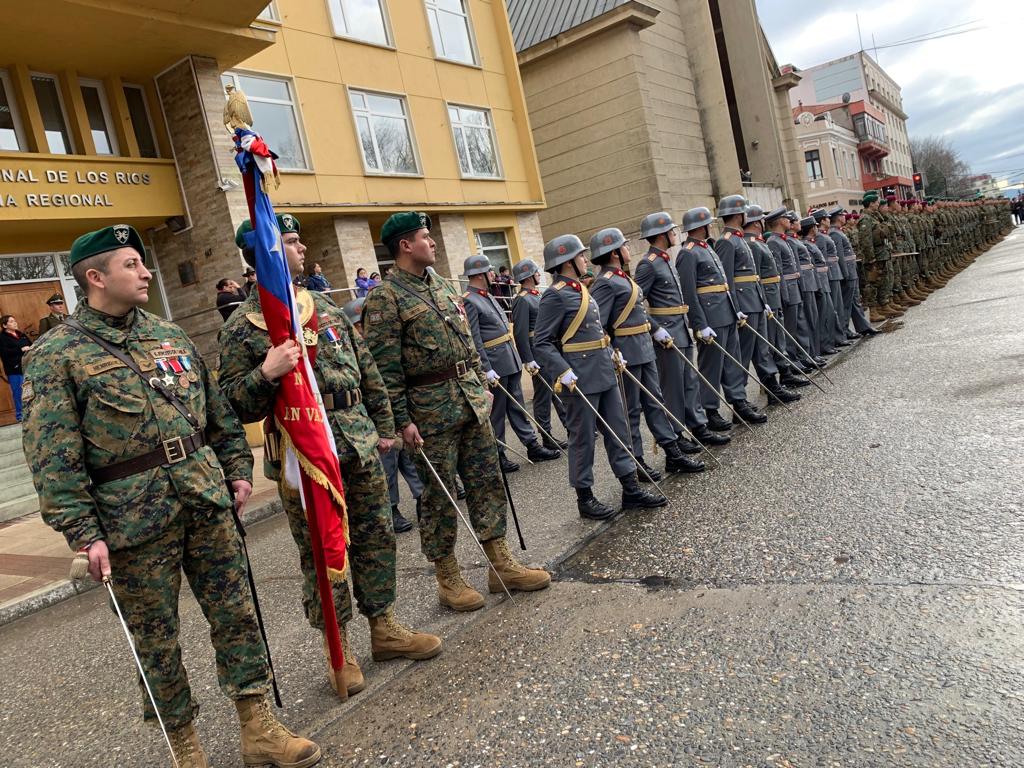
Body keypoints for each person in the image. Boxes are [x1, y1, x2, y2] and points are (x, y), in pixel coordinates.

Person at [22, 224, 319, 768]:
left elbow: (216, 412)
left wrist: (235, 469)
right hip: (132, 519)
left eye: (143, 262)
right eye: (132, 264)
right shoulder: (56, 354)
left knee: (236, 614)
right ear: (95, 277)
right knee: (156, 641)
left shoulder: (168, 334)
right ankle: (185, 749)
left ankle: (258, 727)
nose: (145, 271)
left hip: (205, 499)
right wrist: (83, 532)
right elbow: (51, 455)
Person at [219, 214, 441, 702]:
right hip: (304, 455)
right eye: (291, 242)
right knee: (323, 550)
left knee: (375, 535)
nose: (301, 249)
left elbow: (367, 369)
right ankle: (338, 648)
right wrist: (266, 372)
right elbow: (234, 403)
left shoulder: (324, 307)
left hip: (357, 440)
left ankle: (383, 627)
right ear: (264, 256)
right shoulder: (243, 327)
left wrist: (384, 427)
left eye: (297, 240)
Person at [363, 212, 551, 612]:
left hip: (469, 400)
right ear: (405, 246)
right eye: (425, 237)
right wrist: (401, 421)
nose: (432, 243)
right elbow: (385, 370)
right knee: (439, 495)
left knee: (487, 480)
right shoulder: (386, 297)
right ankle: (448, 576)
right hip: (429, 411)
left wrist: (481, 381)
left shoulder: (444, 286)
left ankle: (500, 562)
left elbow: (466, 341)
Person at [533, 234, 666, 520]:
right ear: (568, 261)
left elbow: (596, 329)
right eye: (580, 256)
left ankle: (630, 489)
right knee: (583, 438)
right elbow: (542, 342)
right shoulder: (555, 295)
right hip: (578, 376)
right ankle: (585, 497)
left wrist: (610, 350)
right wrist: (562, 370)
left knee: (620, 430)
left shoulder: (580, 289)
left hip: (603, 368)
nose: (585, 259)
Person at [588, 227, 703, 478]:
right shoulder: (605, 284)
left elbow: (638, 311)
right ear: (615, 252)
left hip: (644, 347)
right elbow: (600, 325)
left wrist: (657, 329)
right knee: (630, 411)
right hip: (626, 354)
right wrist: (611, 351)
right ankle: (637, 461)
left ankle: (672, 453)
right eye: (625, 246)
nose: (629, 249)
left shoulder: (622, 277)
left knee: (656, 403)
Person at [633, 212, 728, 450]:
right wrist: (654, 329)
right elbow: (633, 304)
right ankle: (676, 434)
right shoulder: (648, 264)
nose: (675, 234)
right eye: (672, 231)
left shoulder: (666, 259)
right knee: (673, 387)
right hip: (666, 332)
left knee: (689, 382)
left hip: (680, 327)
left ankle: (698, 426)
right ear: (662, 234)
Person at [461, 253, 559, 472]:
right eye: (489, 271)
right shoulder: (469, 299)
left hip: (508, 357)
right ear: (479, 274)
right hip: (494, 362)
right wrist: (485, 369)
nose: (493, 274)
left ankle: (532, 445)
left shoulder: (486, 295)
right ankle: (499, 452)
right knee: (497, 412)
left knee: (517, 406)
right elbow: (474, 339)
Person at [677, 206, 766, 429]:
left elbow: (725, 284)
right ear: (701, 225)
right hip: (710, 318)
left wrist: (734, 308)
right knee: (711, 367)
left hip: (725, 312)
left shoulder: (707, 247)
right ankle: (710, 410)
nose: (710, 226)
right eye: (707, 223)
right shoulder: (688, 253)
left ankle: (739, 402)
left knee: (732, 363)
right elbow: (688, 292)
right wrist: (699, 324)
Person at [343, 296, 419, 534]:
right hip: (374, 419)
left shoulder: (383, 346)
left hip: (394, 412)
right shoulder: (351, 355)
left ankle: (422, 497)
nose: (364, 329)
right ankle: (392, 508)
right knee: (388, 465)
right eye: (359, 325)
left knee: (410, 457)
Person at [740, 205, 802, 399]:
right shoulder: (751, 243)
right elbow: (755, 276)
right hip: (766, 295)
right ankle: (775, 379)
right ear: (757, 222)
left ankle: (784, 373)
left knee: (778, 337)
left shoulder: (759, 242)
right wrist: (764, 300)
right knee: (771, 340)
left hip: (772, 293)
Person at [510, 258, 568, 452]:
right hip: (536, 353)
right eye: (536, 272)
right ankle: (546, 436)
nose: (538, 275)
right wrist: (528, 359)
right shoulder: (522, 299)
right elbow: (520, 332)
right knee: (543, 396)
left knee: (557, 391)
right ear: (529, 275)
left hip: (547, 349)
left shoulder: (537, 295)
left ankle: (569, 427)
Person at [0, 315, 32, 422]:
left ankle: (32, 413)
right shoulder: (2, 338)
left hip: (28, 367)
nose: (15, 323)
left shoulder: (21, 334)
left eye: (15, 320)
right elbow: (5, 353)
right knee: (19, 393)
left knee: (31, 391)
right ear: (5, 325)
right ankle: (20, 416)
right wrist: (20, 349)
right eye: (11, 321)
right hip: (14, 369)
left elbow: (31, 345)